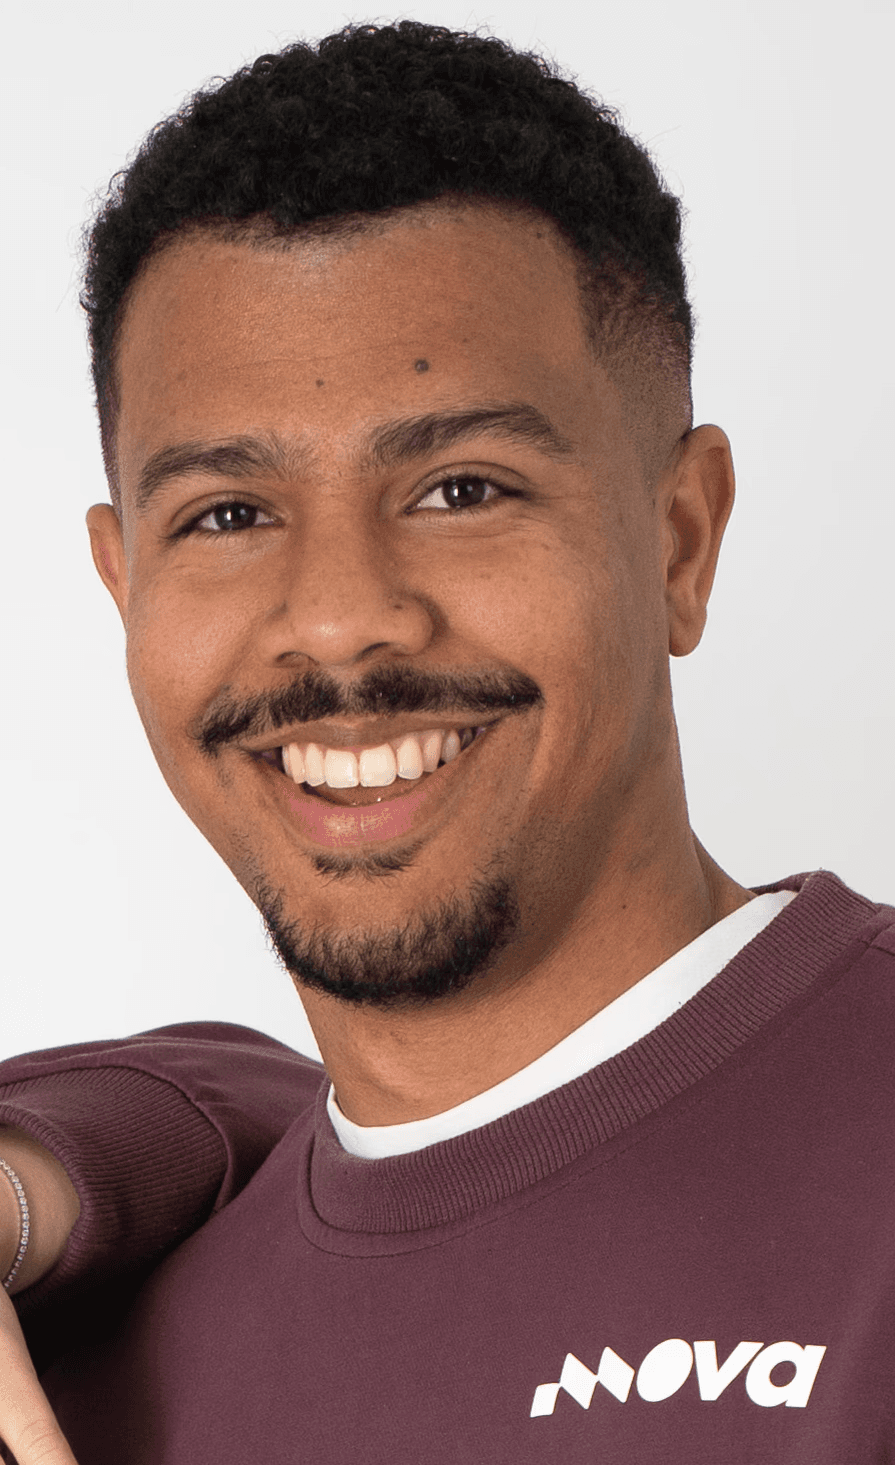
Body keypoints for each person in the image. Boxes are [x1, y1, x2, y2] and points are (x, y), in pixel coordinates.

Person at [1, 19, 893, 1463]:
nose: (342, 622)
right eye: (226, 515)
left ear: (678, 538)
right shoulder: (74, 1373)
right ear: (126, 587)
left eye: (460, 487)